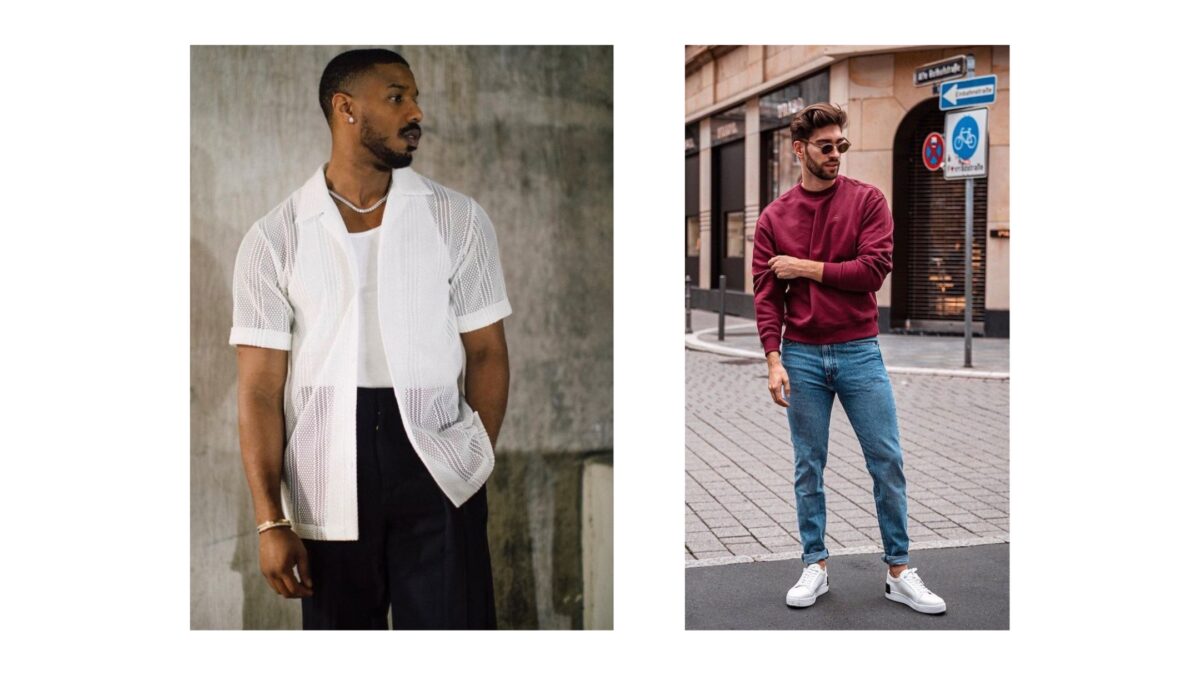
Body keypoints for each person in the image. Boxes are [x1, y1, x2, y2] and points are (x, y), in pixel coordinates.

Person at [229, 48, 511, 629]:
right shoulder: (275, 238)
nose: (416, 112)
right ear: (346, 108)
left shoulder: (456, 219)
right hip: (324, 473)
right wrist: (269, 521)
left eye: (415, 97)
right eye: (397, 97)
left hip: (438, 464)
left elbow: (486, 351)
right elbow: (258, 389)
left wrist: (472, 457)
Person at [751, 102, 946, 615]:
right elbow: (766, 295)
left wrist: (805, 267)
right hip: (803, 356)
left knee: (887, 460)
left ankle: (899, 571)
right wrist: (773, 358)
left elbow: (872, 271)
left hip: (860, 351)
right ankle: (813, 564)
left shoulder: (868, 201)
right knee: (807, 466)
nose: (836, 154)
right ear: (800, 150)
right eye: (825, 146)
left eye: (842, 145)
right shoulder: (774, 217)